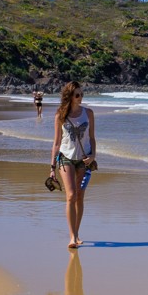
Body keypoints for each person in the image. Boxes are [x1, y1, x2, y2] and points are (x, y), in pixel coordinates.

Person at [49, 82, 96, 248]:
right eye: (77, 95)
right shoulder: (60, 116)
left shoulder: (88, 113)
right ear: (69, 96)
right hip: (65, 158)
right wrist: (52, 168)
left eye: (82, 94)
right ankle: (72, 236)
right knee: (70, 195)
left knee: (79, 196)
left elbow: (91, 138)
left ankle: (77, 233)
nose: (80, 97)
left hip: (84, 160)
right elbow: (56, 143)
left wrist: (93, 155)